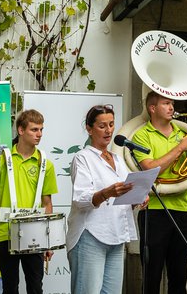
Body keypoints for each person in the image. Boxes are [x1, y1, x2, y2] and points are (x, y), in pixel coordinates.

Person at [131, 92, 187, 294]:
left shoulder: (183, 135)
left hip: (182, 210)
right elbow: (150, 169)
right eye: (166, 103)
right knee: (151, 276)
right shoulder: (142, 136)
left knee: (179, 278)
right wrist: (180, 148)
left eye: (172, 103)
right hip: (154, 211)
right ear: (152, 109)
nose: (172, 107)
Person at [67, 104, 143, 294]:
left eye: (111, 125)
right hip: (90, 234)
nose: (108, 130)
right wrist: (107, 193)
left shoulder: (118, 160)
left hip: (116, 235)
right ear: (89, 129)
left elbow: (123, 197)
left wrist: (136, 199)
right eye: (102, 126)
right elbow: (81, 199)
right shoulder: (82, 157)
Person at [0, 109, 58, 294]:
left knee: (35, 287)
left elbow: (46, 202)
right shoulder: (1, 160)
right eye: (34, 129)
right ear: (21, 130)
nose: (39, 134)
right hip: (6, 234)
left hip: (35, 235)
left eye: (41, 129)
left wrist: (48, 240)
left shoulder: (45, 163)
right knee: (9, 288)